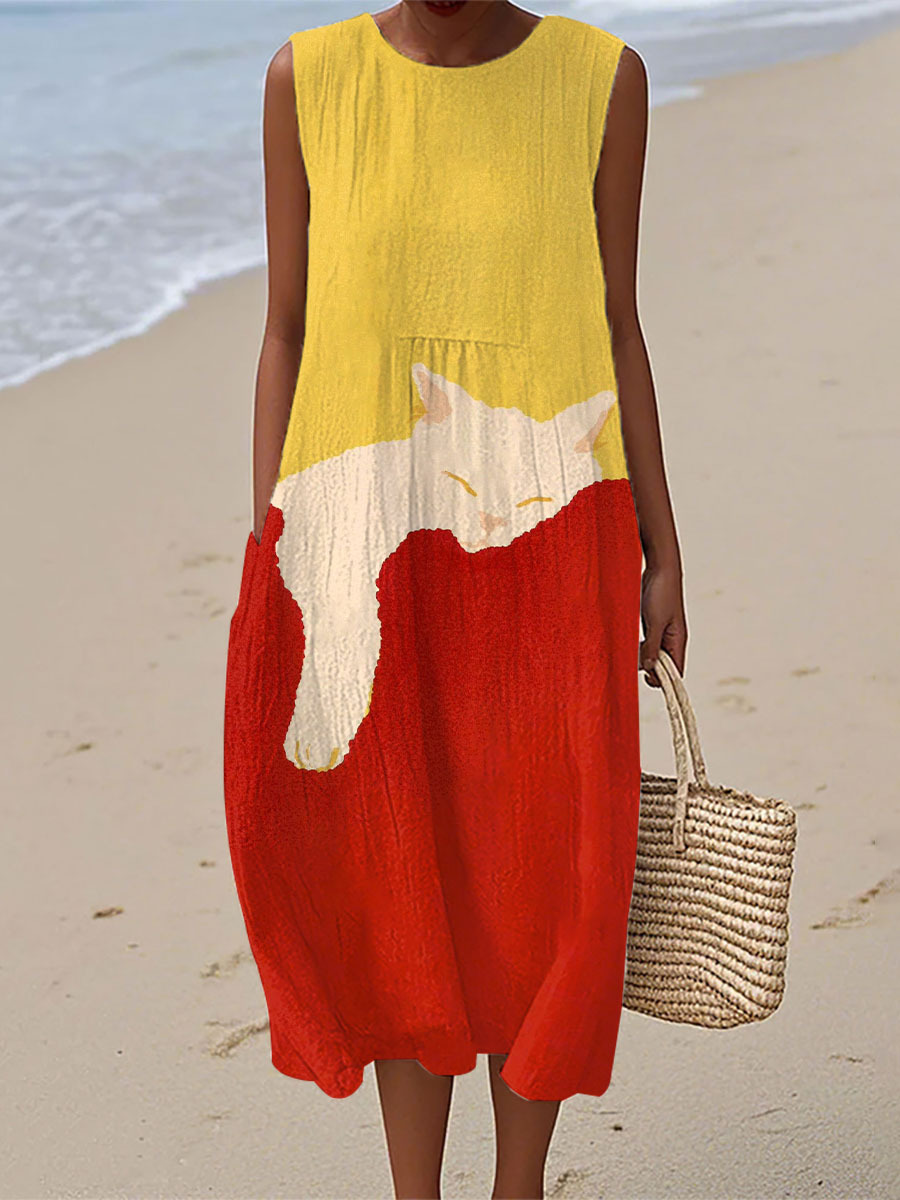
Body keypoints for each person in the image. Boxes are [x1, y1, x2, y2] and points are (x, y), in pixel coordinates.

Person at [224, 3, 687, 1198]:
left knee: (546, 869)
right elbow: (285, 330)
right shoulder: (307, 80)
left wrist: (663, 545)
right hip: (364, 531)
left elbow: (619, 326)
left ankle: (517, 1190)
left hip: (551, 536)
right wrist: (270, 535)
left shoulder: (602, 81)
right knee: (395, 867)